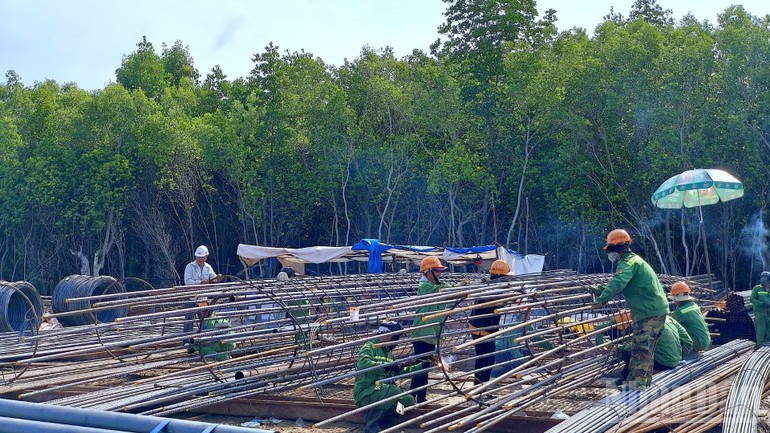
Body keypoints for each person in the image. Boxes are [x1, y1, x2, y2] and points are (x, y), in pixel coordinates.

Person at [592, 229, 670, 389]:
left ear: (616, 249)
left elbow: (619, 281)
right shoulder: (635, 260)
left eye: (610, 251)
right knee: (647, 348)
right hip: (656, 310)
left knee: (640, 348)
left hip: (649, 313)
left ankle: (635, 385)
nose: (610, 255)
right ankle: (644, 382)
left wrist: (601, 299)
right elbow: (623, 284)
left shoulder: (626, 262)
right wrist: (602, 289)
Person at [354, 321, 420, 433]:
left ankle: (385, 423)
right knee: (393, 390)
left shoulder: (388, 353)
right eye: (395, 338)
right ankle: (371, 426)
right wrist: (387, 367)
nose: (396, 342)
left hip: (382, 391)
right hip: (366, 392)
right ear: (387, 335)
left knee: (408, 400)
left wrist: (421, 366)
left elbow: (398, 371)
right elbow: (364, 364)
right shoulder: (370, 346)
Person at [409, 256, 447, 402]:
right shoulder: (424, 287)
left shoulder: (434, 287)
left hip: (431, 335)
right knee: (421, 368)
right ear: (428, 272)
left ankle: (419, 398)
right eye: (437, 271)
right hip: (422, 334)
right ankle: (413, 397)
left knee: (425, 367)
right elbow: (441, 290)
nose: (439, 274)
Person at [468, 259, 513, 385]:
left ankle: (482, 388)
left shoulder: (494, 287)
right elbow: (493, 301)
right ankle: (479, 389)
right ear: (499, 276)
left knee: (488, 360)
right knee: (484, 360)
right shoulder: (490, 289)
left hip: (486, 328)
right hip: (481, 329)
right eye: (506, 278)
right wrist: (509, 298)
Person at [618, 316, 692, 383]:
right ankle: (624, 376)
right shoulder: (668, 318)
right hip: (675, 360)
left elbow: (638, 345)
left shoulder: (648, 323)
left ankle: (637, 379)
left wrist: (619, 347)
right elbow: (687, 339)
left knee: (627, 353)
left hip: (663, 363)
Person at [669, 281, 711, 351]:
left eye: (674, 298)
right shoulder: (694, 305)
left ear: (678, 296)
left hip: (698, 343)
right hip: (706, 340)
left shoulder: (681, 311)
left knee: (671, 334)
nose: (674, 301)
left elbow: (669, 323)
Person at [750, 271, 770, 344]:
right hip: (760, 315)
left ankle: (767, 351)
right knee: (760, 333)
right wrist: (762, 304)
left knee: (768, 333)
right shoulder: (757, 288)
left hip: (768, 314)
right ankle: (760, 349)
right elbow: (752, 299)